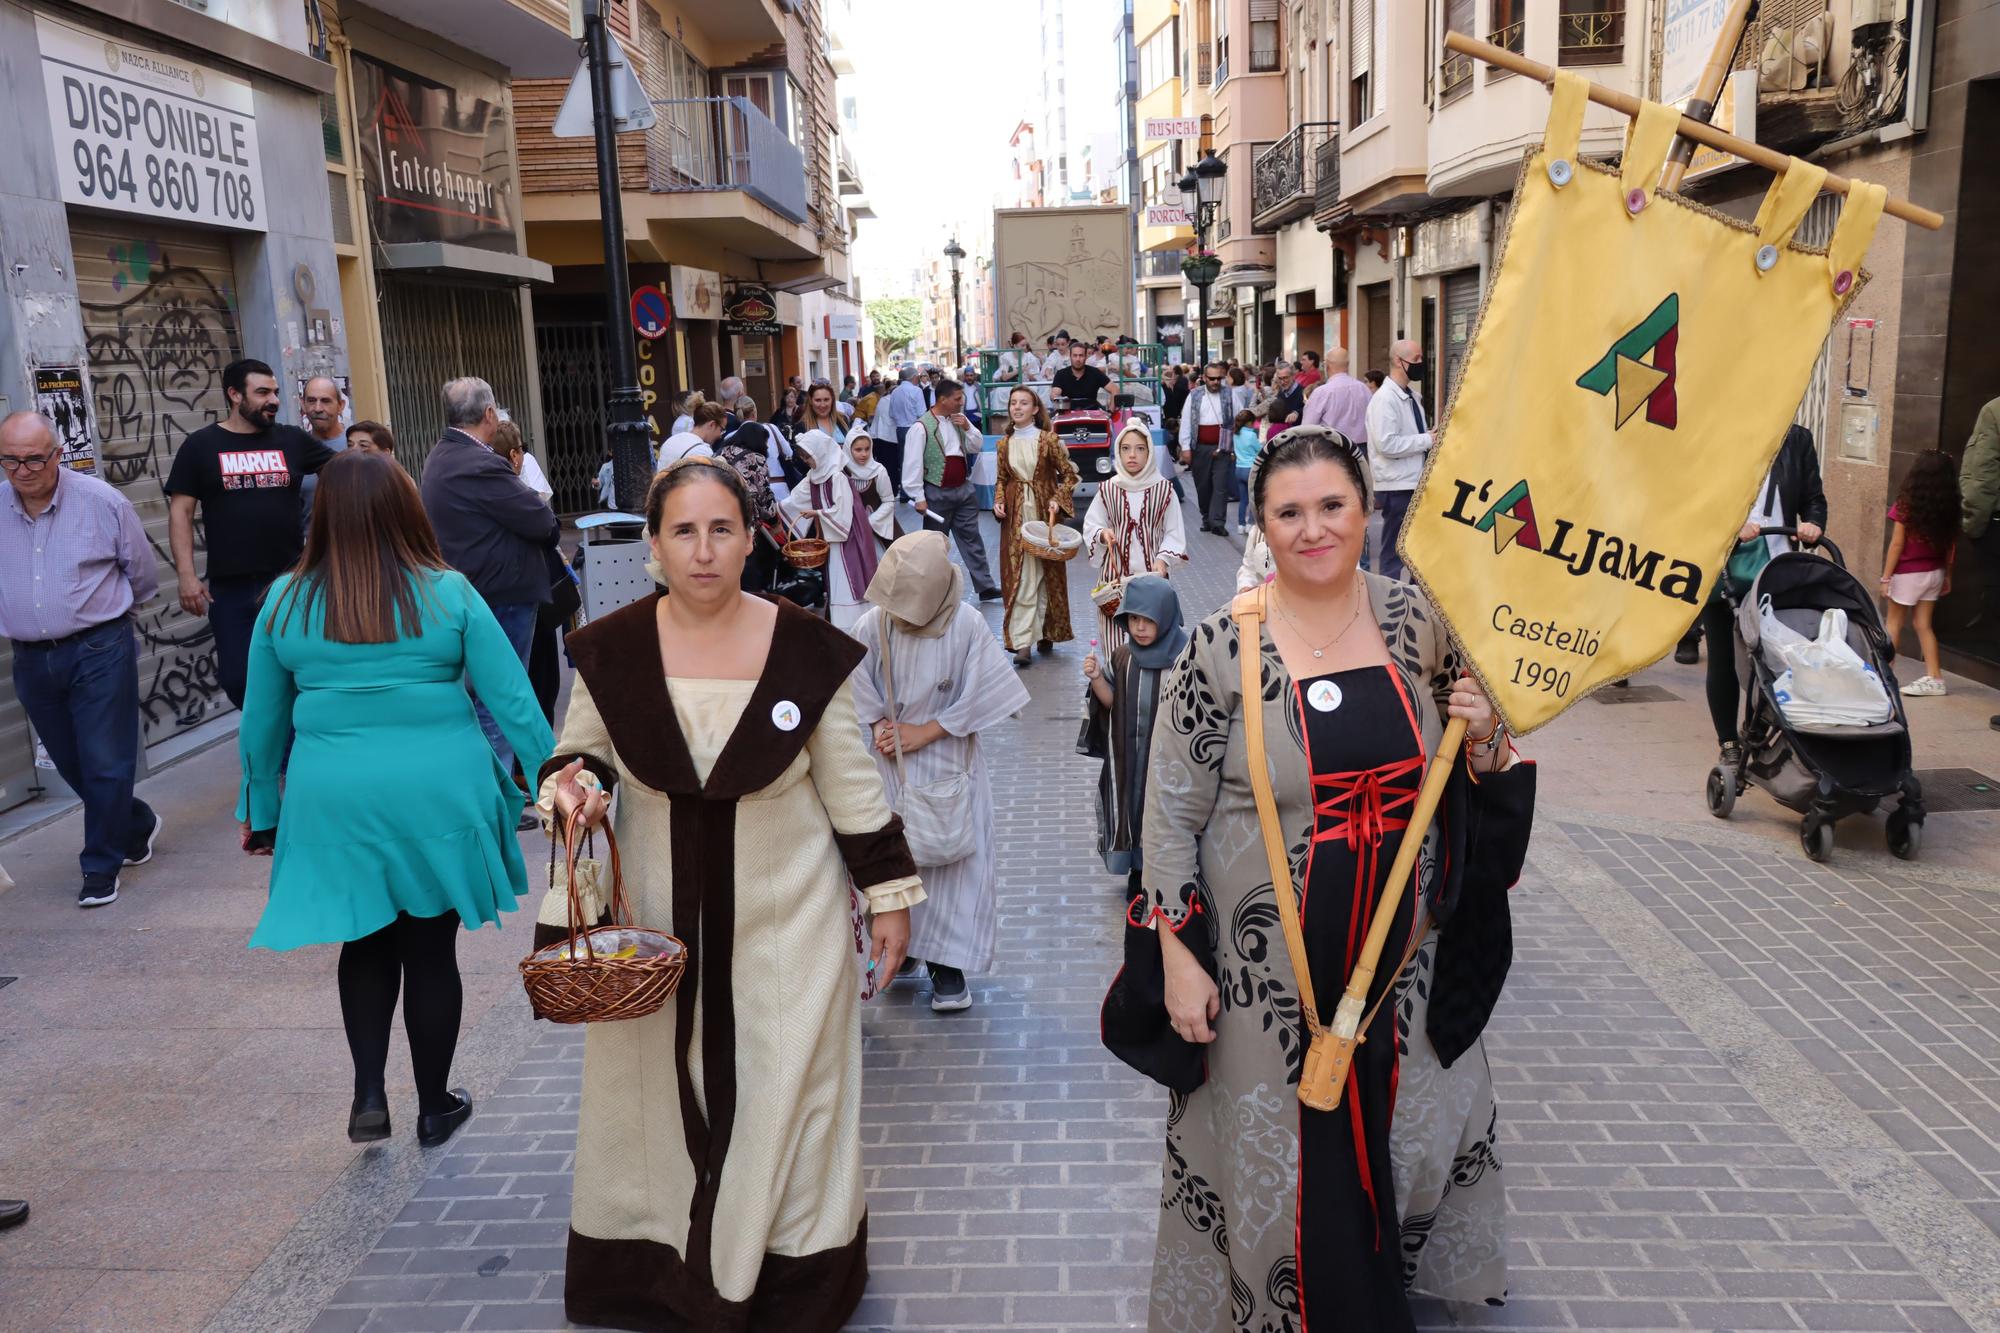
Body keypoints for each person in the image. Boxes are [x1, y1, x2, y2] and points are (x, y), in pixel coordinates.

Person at [1142, 426, 1524, 1332]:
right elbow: (1167, 811)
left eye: (1332, 506)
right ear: (1261, 527)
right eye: (1289, 511)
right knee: (1280, 1152)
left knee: (1406, 1135)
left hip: (1404, 962)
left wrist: (1482, 735)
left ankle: (1380, 1287)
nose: (1313, 528)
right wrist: (1176, 956)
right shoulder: (1216, 648)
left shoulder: (1416, 623)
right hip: (1264, 978)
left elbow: (1478, 769)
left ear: (1365, 511)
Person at [538, 456, 921, 1332]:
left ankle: (785, 1277)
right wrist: (570, 786)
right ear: (653, 547)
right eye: (684, 531)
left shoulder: (805, 647)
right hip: (654, 934)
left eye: (722, 529)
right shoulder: (614, 650)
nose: (704, 550)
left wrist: (889, 895)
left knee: (789, 1090)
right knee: (653, 1096)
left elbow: (851, 783)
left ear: (752, 539)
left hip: (790, 922)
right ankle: (655, 1267)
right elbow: (579, 753)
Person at [240, 450, 550, 1147]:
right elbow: (513, 698)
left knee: (367, 940)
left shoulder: (284, 602)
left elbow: (260, 724)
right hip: (439, 791)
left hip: (335, 799)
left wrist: (261, 809)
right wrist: (551, 773)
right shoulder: (449, 591)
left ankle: (369, 1092)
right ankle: (436, 1103)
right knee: (430, 947)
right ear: (407, 508)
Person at [850, 531, 1028, 1013]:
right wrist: (881, 724)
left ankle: (947, 966)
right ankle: (903, 949)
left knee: (954, 870)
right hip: (890, 766)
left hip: (949, 762)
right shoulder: (874, 623)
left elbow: (985, 697)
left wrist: (923, 731)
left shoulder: (967, 624)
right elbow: (854, 681)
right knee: (898, 859)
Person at [0, 412, 163, 908]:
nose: (22, 470)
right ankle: (136, 824)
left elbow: (142, 573)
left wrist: (107, 620)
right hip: (30, 657)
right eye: (10, 460)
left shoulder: (101, 501)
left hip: (98, 647)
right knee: (72, 763)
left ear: (56, 455)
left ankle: (99, 866)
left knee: (104, 759)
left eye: (33, 459)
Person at [166, 358, 337, 712]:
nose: (273, 400)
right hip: (231, 588)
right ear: (234, 394)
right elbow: (180, 512)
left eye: (275, 392)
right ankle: (274, 741)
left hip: (291, 582)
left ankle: (290, 755)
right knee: (238, 679)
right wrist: (186, 576)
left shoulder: (292, 440)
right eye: (262, 392)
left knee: (303, 671)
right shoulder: (201, 446)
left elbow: (346, 472)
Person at [417, 377, 561, 793]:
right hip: (501, 596)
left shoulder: (444, 455)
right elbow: (542, 521)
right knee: (501, 699)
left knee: (486, 696)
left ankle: (491, 787)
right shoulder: (478, 462)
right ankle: (498, 794)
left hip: (477, 590)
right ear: (489, 415)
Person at [1704, 423, 1826, 769]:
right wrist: (1730, 525)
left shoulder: (1796, 439)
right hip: (1726, 567)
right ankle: (1728, 740)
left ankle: (1766, 730)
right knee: (1725, 656)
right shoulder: (1719, 432)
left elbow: (1813, 498)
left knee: (1779, 656)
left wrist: (1814, 524)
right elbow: (1695, 500)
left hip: (1778, 567)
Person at [1080, 574, 1185, 888]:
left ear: (1166, 618)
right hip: (1129, 758)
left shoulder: (1185, 658)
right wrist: (1098, 677)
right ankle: (1138, 873)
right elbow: (1111, 701)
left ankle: (1165, 873)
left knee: (1167, 812)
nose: (1139, 627)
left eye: (1148, 620)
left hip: (1170, 759)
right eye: (1134, 619)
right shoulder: (1124, 656)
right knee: (1132, 809)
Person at [993, 387, 1081, 666]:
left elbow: (1069, 475)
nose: (1017, 407)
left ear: (1034, 409)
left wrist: (1057, 499)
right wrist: (998, 500)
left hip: (1043, 514)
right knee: (1022, 576)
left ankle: (1045, 630)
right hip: (1015, 518)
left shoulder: (1048, 440)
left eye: (1023, 403)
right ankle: (1022, 642)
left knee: (1045, 572)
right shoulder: (1003, 444)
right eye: (1013, 403)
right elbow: (1001, 478)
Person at [1083, 421, 1187, 651]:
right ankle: (1119, 685)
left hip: (1152, 576)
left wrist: (1163, 559)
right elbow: (1092, 524)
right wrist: (1102, 534)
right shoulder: (1108, 488)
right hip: (1114, 581)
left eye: (1140, 448)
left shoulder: (1164, 489)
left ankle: (1151, 686)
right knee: (1116, 645)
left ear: (1149, 452)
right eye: (1126, 448)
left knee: (1152, 638)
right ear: (1118, 452)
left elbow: (1173, 532)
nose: (1132, 455)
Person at [901, 379, 1001, 601]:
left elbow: (976, 445)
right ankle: (932, 590)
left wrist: (967, 426)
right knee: (935, 544)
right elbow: (912, 464)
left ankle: (985, 586)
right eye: (957, 399)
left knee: (972, 538)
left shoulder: (959, 420)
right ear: (942, 399)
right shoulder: (920, 427)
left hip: (963, 489)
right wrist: (918, 497)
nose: (961, 402)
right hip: (937, 491)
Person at [1881, 450, 1962, 697]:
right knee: (1924, 625)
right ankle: (1935, 678)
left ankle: (1885, 675)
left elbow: (1896, 544)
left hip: (1908, 573)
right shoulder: (1950, 507)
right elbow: (1951, 546)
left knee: (1893, 623)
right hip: (1935, 573)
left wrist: (1886, 577)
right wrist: (1947, 575)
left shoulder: (1906, 505)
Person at [782, 430, 880, 629]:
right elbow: (795, 500)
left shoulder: (837, 477)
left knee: (848, 582)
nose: (806, 461)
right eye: (804, 457)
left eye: (808, 456)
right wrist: (774, 509)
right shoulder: (815, 476)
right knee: (837, 584)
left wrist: (818, 514)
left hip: (849, 540)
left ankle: (857, 626)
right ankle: (842, 625)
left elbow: (843, 514)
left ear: (821, 453)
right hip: (833, 539)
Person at [1364, 339, 1435, 582]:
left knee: (1418, 546)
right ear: (1398, 361)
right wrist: (1427, 440)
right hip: (1398, 485)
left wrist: (1428, 437)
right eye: (1416, 359)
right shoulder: (1385, 399)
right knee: (1395, 548)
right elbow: (1387, 444)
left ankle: (1416, 594)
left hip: (1414, 482)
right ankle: (1389, 595)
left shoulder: (1412, 396)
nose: (1421, 364)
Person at [1178, 363, 1235, 536]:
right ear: (1204, 378)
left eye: (1219, 378)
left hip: (1223, 446)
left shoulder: (1229, 394)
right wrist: (1185, 447)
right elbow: (1186, 421)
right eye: (1212, 378)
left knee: (1220, 485)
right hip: (1200, 448)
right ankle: (1206, 518)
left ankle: (1218, 522)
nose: (1216, 382)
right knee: (1203, 486)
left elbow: (1238, 418)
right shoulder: (1194, 395)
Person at [298, 375, 350, 532]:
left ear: (340, 405)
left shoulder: (358, 444)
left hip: (358, 550)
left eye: (326, 401)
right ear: (302, 404)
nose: (318, 408)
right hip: (311, 552)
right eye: (311, 401)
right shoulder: (296, 449)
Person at [1301, 347, 1373, 442]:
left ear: (1327, 366)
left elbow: (1307, 429)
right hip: (1362, 450)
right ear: (1347, 365)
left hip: (1333, 450)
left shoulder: (1322, 392)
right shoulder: (1364, 388)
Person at [847, 430, 900, 552]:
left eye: (867, 449)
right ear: (848, 449)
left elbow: (889, 501)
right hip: (852, 528)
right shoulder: (844, 472)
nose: (864, 454)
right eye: (858, 450)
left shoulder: (878, 471)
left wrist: (870, 522)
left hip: (878, 526)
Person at [881, 367, 929, 497]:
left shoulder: (895, 392)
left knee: (903, 460)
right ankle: (917, 492)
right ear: (914, 377)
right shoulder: (917, 391)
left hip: (900, 429)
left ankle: (904, 492)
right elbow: (921, 413)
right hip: (914, 428)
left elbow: (891, 413)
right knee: (918, 459)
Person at [659, 400, 728, 468]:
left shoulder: (671, 440)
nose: (720, 436)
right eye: (721, 429)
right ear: (712, 425)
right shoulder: (703, 451)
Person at [1051, 339, 1111, 411]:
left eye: (1081, 355)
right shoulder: (1061, 374)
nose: (1078, 359)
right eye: (1075, 355)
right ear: (1070, 356)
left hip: (1092, 417)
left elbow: (1115, 390)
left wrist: (1111, 413)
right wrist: (1055, 397)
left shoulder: (1095, 373)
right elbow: (1055, 393)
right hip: (1068, 417)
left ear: (1086, 357)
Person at [1233, 408, 1266, 534]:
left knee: (1243, 499)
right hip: (1250, 470)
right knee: (1254, 499)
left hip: (1238, 468)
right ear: (1249, 422)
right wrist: (1263, 444)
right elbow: (1258, 449)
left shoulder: (1236, 433)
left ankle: (1240, 525)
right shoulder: (1251, 435)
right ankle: (1250, 524)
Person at [1251, 362, 1305, 426]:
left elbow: (1309, 409)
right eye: (1280, 378)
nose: (1282, 382)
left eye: (1285, 378)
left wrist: (1297, 413)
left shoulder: (1303, 392)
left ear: (1293, 376)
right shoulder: (1281, 393)